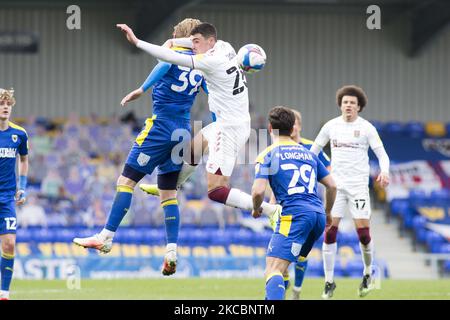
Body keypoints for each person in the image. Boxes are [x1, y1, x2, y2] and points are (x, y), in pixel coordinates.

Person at [116, 22, 281, 235]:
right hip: (229, 123)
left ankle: (270, 210)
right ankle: (170, 186)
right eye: (192, 42)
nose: (193, 46)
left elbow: (172, 58)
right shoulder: (225, 47)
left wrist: (138, 42)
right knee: (193, 151)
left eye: (196, 42)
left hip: (228, 129)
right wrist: (175, 41)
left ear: (209, 41)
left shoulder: (210, 61)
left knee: (216, 191)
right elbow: (191, 44)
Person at [73, 18, 205, 276]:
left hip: (161, 126)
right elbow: (213, 94)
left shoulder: (174, 54)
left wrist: (141, 89)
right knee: (168, 193)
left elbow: (164, 64)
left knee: (126, 181)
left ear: (180, 35)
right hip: (183, 131)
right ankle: (171, 251)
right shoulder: (203, 64)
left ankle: (107, 236)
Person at [310, 85, 390, 299]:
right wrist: (308, 169)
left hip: (358, 187)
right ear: (340, 104)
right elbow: (314, 151)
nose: (348, 105)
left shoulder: (366, 128)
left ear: (359, 107)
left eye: (352, 103)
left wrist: (384, 171)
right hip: (335, 186)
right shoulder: (330, 126)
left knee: (363, 235)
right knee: (330, 231)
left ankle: (367, 273)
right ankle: (328, 282)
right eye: (345, 102)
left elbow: (382, 154)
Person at [251, 106, 336, 300]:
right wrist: (328, 212)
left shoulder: (268, 154)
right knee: (282, 269)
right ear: (292, 129)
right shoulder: (309, 154)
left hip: (294, 216)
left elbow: (257, 191)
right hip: (317, 217)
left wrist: (257, 208)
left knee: (272, 270)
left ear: (270, 128)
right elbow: (332, 186)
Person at [0, 88, 29, 300]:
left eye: (8, 104)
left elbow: (24, 159)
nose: (5, 108)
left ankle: (4, 293)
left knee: (10, 244)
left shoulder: (19, 134)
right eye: (2, 104)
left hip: (7, 198)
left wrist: (23, 186)